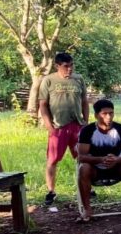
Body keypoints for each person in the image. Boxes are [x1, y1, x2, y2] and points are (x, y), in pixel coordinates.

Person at [77, 98, 121, 221]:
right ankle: (87, 210)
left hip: (118, 168)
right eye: (104, 114)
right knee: (83, 168)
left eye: (111, 113)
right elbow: (81, 157)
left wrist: (117, 160)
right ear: (96, 115)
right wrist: (101, 159)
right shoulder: (87, 131)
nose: (108, 117)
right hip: (95, 170)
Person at [38, 51, 88, 206]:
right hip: (58, 126)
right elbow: (43, 104)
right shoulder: (48, 80)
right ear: (57, 66)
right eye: (66, 66)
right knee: (52, 159)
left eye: (72, 65)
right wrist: (49, 125)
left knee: (82, 157)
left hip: (77, 125)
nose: (70, 69)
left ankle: (87, 187)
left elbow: (84, 101)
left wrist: (85, 122)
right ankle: (51, 191)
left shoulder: (79, 79)